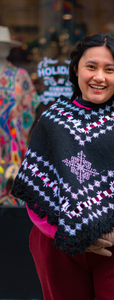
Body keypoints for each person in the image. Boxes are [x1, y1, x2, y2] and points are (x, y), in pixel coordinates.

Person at [11, 33, 114, 300]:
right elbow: (35, 192)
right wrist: (70, 232)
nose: (99, 77)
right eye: (91, 66)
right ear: (76, 68)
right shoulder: (52, 121)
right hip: (61, 247)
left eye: (109, 69)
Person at [0, 25, 39, 204]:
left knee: (12, 189)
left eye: (3, 45)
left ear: (9, 48)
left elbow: (30, 107)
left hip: (12, 141)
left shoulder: (20, 76)